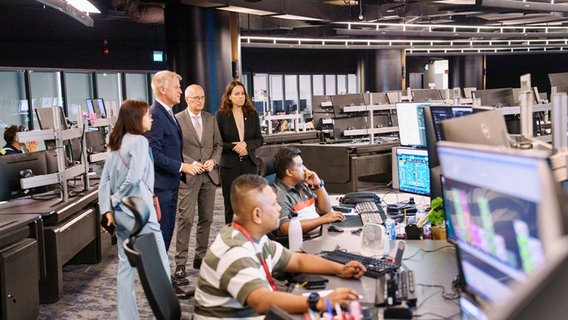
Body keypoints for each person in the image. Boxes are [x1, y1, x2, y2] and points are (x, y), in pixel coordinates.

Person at [193, 174, 365, 319]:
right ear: (257, 215)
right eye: (274, 204)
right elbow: (261, 301)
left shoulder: (254, 238)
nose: (279, 209)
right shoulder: (234, 251)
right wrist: (318, 301)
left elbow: (296, 260)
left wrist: (340, 269)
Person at [98, 99, 170, 320]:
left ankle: (127, 317)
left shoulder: (115, 144)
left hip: (119, 215)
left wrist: (107, 210)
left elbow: (104, 181)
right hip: (140, 213)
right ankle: (168, 313)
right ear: (137, 118)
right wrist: (118, 197)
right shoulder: (140, 142)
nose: (151, 118)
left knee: (125, 266)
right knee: (160, 265)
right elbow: (135, 176)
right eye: (148, 115)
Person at [173, 84, 222, 283]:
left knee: (207, 219)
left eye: (202, 97)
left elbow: (218, 145)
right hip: (190, 175)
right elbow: (175, 147)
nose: (200, 101)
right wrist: (189, 163)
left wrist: (213, 160)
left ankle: (200, 257)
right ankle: (180, 263)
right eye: (196, 98)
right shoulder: (177, 120)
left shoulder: (211, 119)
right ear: (187, 99)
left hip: (209, 176)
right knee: (186, 219)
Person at [146, 70, 194, 253]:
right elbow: (154, 154)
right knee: (161, 233)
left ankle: (162, 274)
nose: (180, 91)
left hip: (170, 184)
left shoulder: (168, 113)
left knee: (166, 232)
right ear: (163, 89)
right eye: (177, 87)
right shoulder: (156, 114)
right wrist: (182, 166)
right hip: (161, 187)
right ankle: (159, 277)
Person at [272, 146, 345, 239]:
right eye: (300, 166)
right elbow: (286, 228)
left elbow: (325, 210)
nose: (305, 169)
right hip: (306, 242)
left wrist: (317, 185)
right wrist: (322, 220)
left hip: (321, 234)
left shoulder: (300, 185)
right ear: (289, 172)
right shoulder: (279, 195)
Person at [216, 80, 263, 224]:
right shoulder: (221, 115)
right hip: (230, 166)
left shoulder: (252, 113)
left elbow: (259, 139)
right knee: (231, 204)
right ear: (229, 96)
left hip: (249, 164)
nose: (241, 96)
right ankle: (232, 239)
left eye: (242, 93)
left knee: (252, 202)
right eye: (237, 94)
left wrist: (246, 145)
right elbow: (217, 141)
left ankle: (251, 237)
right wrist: (235, 147)